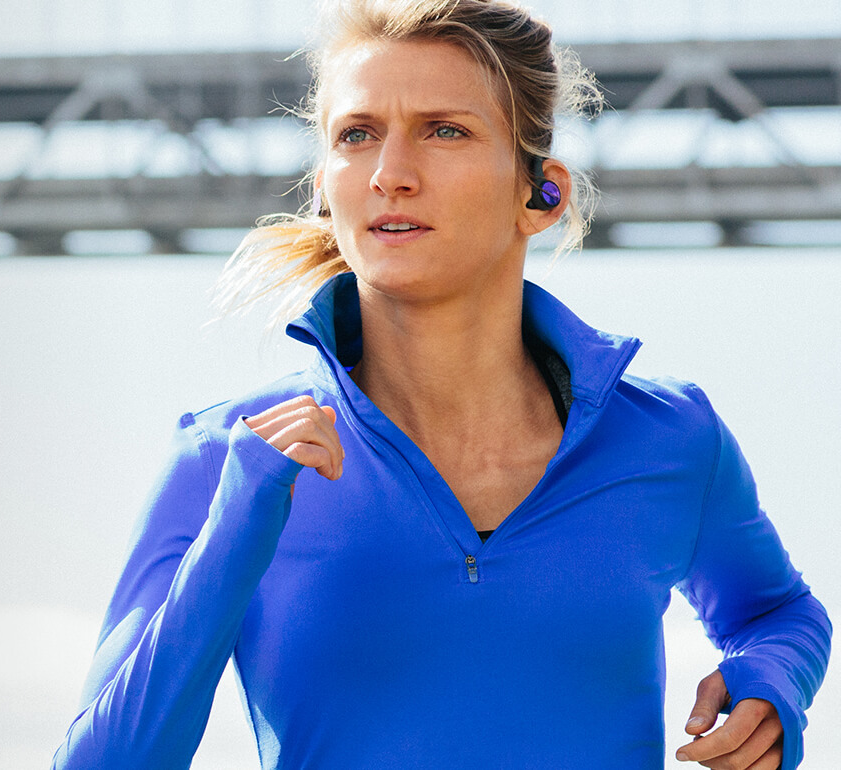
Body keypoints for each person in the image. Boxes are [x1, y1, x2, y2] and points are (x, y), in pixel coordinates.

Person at [50, 0, 831, 768]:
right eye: (357, 136)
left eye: (445, 131)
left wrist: (770, 686)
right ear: (325, 188)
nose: (390, 174)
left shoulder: (668, 437)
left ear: (541, 194)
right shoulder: (224, 457)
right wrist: (233, 532)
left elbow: (778, 612)